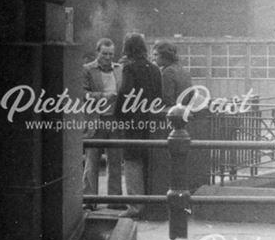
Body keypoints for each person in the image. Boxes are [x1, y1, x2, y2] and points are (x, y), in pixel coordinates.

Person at [116, 33, 162, 218]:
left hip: (133, 123)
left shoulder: (130, 68)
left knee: (132, 163)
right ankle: (150, 205)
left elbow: (125, 94)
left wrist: (120, 116)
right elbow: (158, 96)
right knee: (148, 161)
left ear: (128, 49)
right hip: (151, 121)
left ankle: (135, 207)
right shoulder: (154, 69)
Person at [81, 38, 123, 208]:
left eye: (111, 54)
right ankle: (90, 200)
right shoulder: (87, 70)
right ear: (97, 52)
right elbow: (82, 93)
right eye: (104, 53)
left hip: (114, 119)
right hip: (96, 119)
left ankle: (115, 200)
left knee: (115, 161)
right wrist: (103, 96)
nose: (107, 57)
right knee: (92, 161)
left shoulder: (120, 70)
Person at [153, 40, 193, 106]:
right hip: (184, 111)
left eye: (156, 55)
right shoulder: (184, 71)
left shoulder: (168, 72)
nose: (153, 58)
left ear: (165, 55)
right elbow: (191, 95)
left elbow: (167, 99)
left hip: (173, 112)